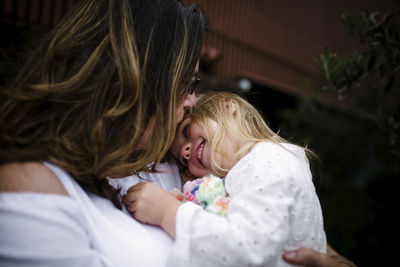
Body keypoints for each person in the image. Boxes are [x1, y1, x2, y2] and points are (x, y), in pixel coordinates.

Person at [0, 0, 355, 266]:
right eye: (187, 82)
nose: (192, 99)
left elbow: (284, 224)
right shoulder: (31, 185)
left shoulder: (177, 162)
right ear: (134, 78)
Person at [122, 92, 351, 267]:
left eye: (186, 131)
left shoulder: (270, 159)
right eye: (183, 161)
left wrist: (168, 212)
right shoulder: (249, 171)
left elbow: (247, 248)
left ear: (228, 107)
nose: (185, 153)